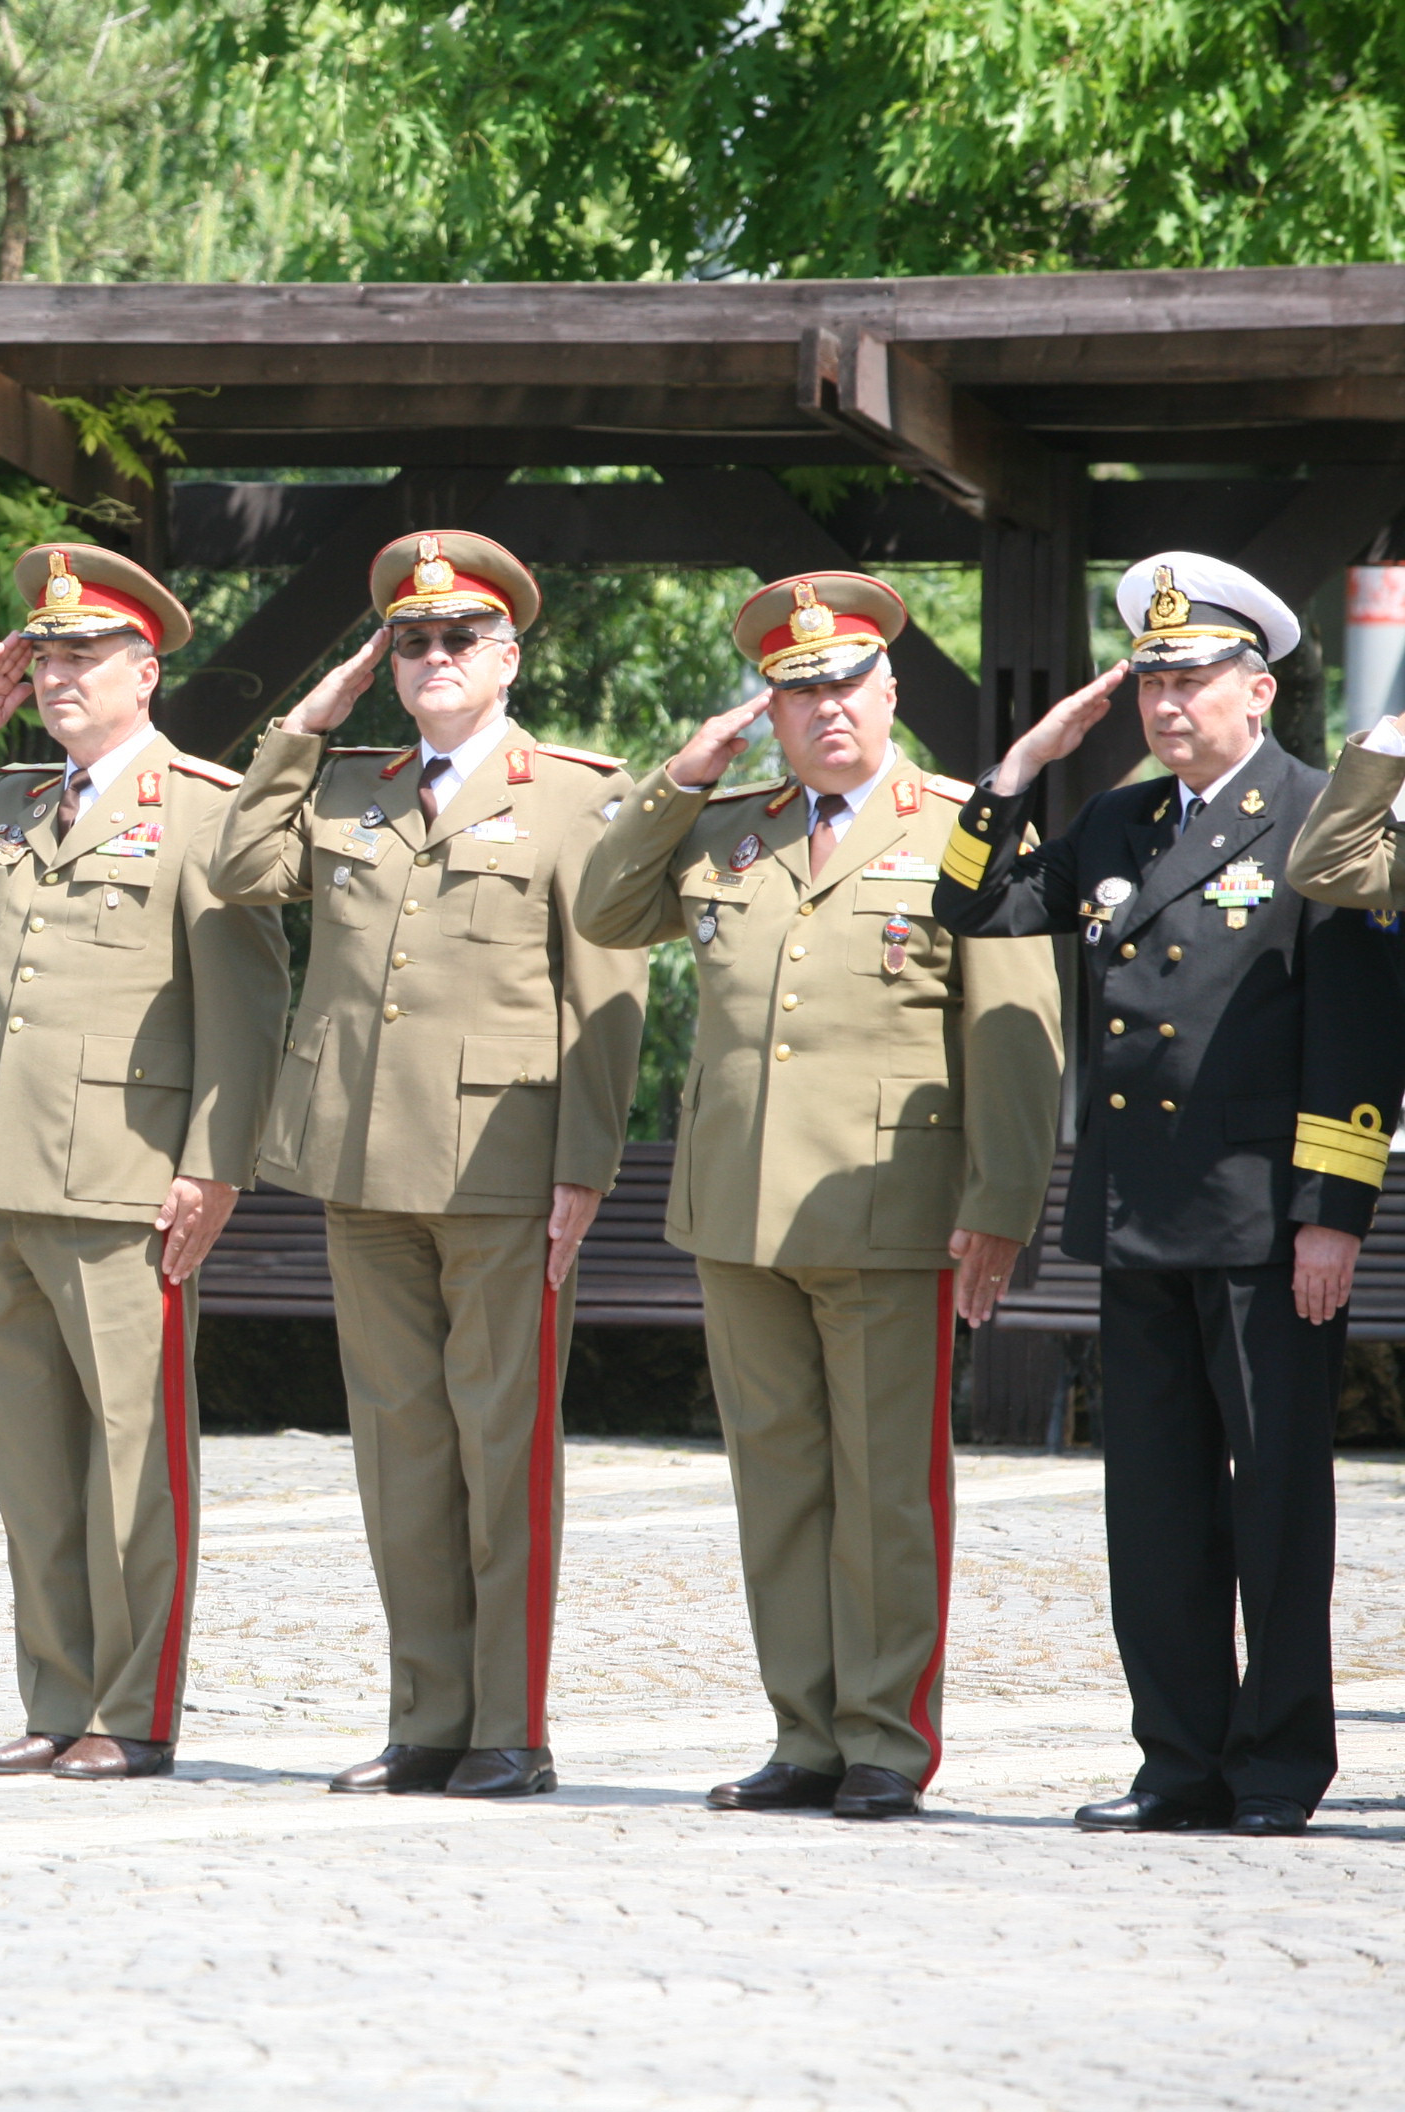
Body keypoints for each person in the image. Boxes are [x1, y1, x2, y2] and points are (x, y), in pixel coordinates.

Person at [574, 572, 1063, 1821]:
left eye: (846, 682)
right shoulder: (733, 826)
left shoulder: (959, 826)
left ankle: (887, 1739)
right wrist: (680, 777)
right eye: (798, 693)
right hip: (739, 1210)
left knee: (886, 1487)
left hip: (891, 1206)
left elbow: (1013, 1027)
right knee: (778, 1483)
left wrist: (1001, 1200)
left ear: (889, 689)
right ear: (771, 714)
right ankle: (803, 1733)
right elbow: (607, 909)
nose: (826, 709)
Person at [957, 555, 1405, 1838]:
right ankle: (1179, 1762)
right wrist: (1019, 768)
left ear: (1255, 689)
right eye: (1153, 677)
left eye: (1194, 676)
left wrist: (1334, 1212)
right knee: (1152, 1509)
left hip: (1267, 1217)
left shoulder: (1326, 815)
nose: (1167, 701)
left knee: (1273, 1502)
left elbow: (1359, 1033)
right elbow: (977, 906)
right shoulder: (1116, 822)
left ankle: (1277, 1767)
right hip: (1141, 1211)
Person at [211, 533, 647, 1800]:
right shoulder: (349, 785)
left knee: (502, 1451)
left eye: (459, 639)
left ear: (508, 656)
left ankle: (510, 1726)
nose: (433, 658)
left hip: (504, 1167)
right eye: (410, 641)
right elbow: (243, 870)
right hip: (362, 1161)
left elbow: (603, 993)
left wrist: (584, 1169)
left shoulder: (572, 793)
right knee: (401, 1453)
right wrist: (312, 716)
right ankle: (427, 1720)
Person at [0, 545, 288, 1782]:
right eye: (42, 656)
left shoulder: (204, 809)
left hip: (126, 1177)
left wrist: (213, 1167)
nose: (55, 676)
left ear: (144, 673)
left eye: (83, 656)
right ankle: (54, 1698)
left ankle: (131, 1708)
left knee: (132, 1463)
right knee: (35, 1467)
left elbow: (247, 1009)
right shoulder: (7, 802)